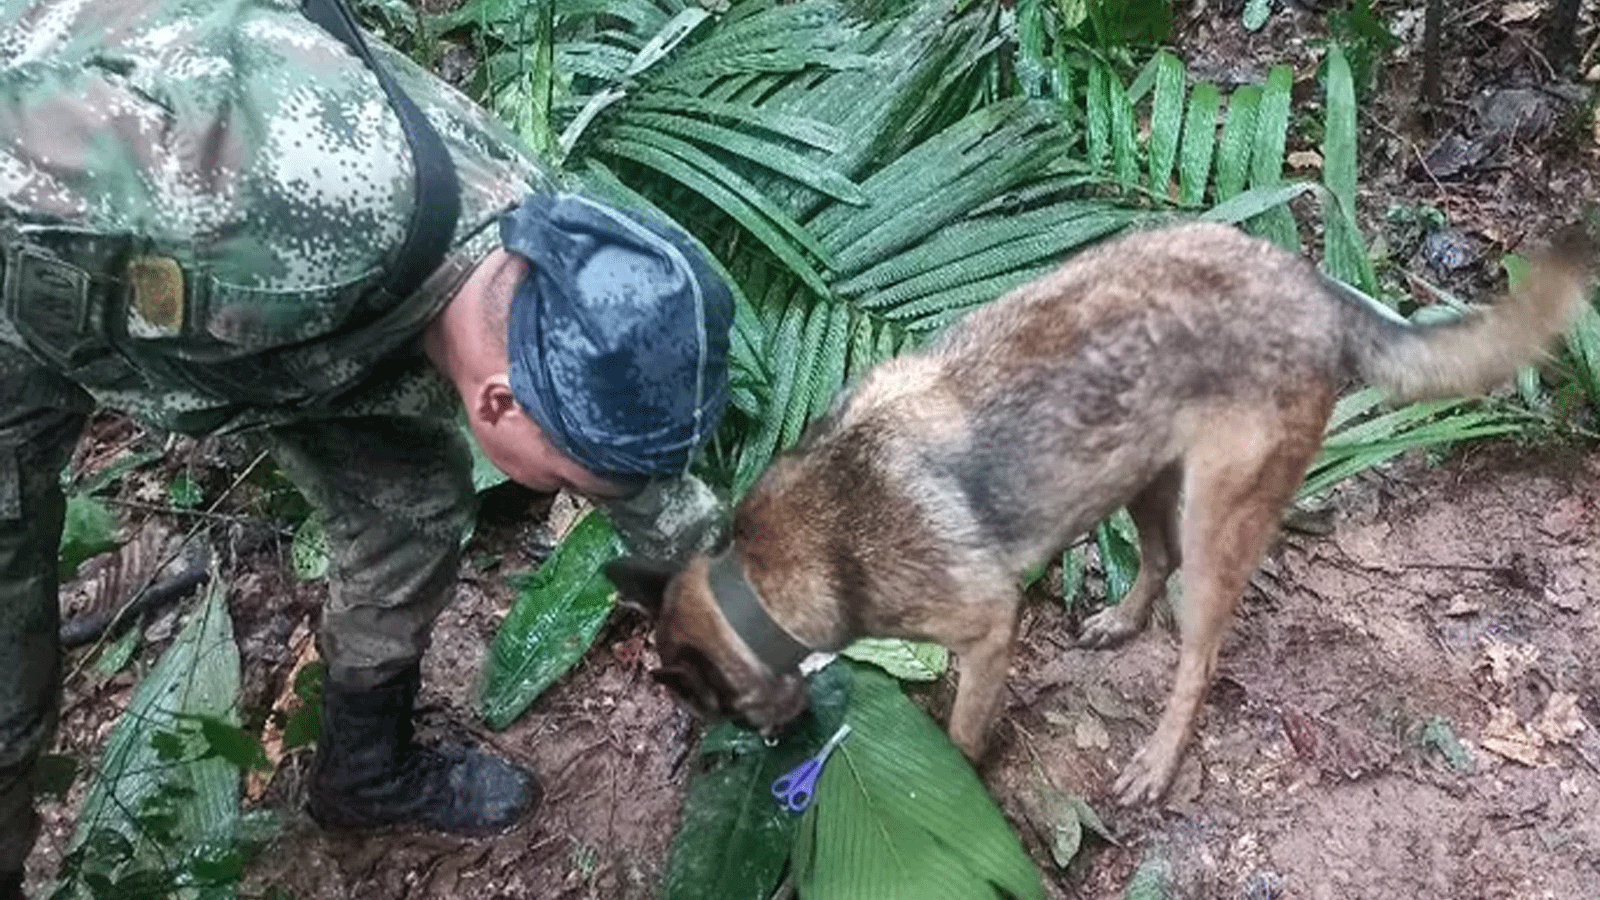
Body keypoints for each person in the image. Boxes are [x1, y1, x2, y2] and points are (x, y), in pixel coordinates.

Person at [0, 0, 734, 895]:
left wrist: (752, 617)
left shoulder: (544, 258)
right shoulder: (262, 216)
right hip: (31, 290)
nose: (580, 494)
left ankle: (363, 774)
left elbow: (635, 472)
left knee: (410, 508)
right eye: (568, 484)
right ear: (499, 402)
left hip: (262, 327)